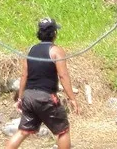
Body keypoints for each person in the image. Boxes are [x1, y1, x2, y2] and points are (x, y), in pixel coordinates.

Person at [5, 18, 79, 149]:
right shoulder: (56, 51)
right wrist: (72, 98)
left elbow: (24, 75)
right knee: (63, 131)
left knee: (22, 131)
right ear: (54, 33)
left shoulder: (31, 49)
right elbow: (63, 75)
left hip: (29, 96)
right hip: (46, 97)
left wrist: (20, 98)